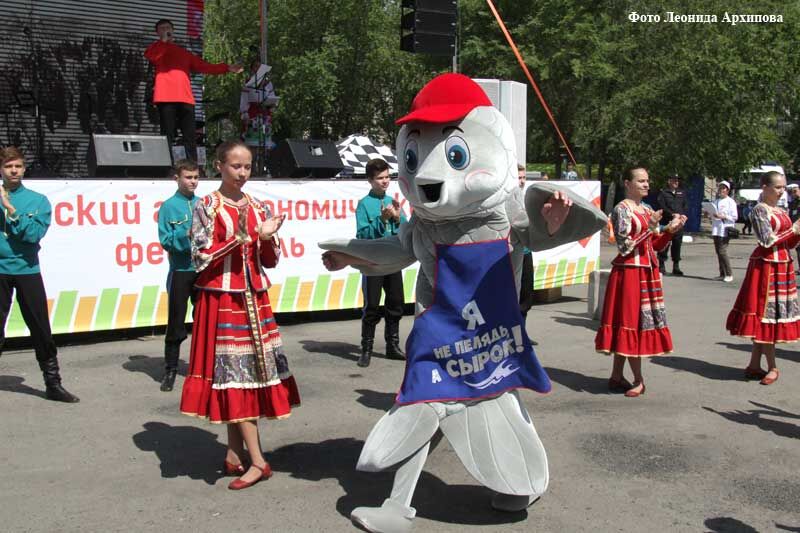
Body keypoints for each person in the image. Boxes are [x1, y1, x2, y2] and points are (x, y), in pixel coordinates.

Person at [180, 140, 300, 490]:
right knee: (233, 374)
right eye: (236, 166)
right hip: (222, 297)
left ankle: (249, 457)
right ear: (219, 166)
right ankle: (244, 456)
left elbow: (271, 260)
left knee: (241, 375)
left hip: (253, 297)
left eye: (247, 166)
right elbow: (200, 255)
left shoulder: (259, 205)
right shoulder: (208, 205)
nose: (243, 173)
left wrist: (266, 238)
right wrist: (246, 237)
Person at [596, 167, 687, 397]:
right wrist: (650, 226)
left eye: (647, 181)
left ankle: (617, 376)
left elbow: (654, 245)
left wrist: (669, 231)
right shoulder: (621, 209)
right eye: (641, 181)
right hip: (629, 273)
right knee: (631, 323)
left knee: (631, 323)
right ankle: (638, 379)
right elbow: (625, 246)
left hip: (646, 271)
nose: (646, 185)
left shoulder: (646, 209)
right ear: (628, 183)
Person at [0, 147, 78, 403]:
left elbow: (32, 235)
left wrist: (10, 210)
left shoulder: (38, 201)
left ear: (24, 169)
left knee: (40, 329)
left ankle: (53, 383)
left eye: (18, 166)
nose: (13, 170)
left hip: (27, 270)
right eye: (9, 166)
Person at [726, 171, 800, 386]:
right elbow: (767, 241)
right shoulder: (759, 210)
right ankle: (772, 366)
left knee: (771, 315)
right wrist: (793, 229)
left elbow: (789, 243)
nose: (781, 191)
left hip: (783, 265)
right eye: (777, 187)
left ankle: (755, 363)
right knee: (765, 314)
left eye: (783, 187)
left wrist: (796, 234)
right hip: (766, 266)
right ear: (765, 187)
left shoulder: (781, 210)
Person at [144, 19, 243, 161]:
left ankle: (192, 166)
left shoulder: (183, 52)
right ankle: (167, 166)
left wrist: (226, 68)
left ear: (173, 30)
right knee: (168, 135)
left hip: (185, 98)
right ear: (158, 32)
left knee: (189, 135)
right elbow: (152, 57)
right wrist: (163, 42)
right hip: (165, 97)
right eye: (162, 28)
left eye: (168, 27)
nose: (166, 29)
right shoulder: (156, 48)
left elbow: (204, 66)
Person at [355, 158, 407, 367]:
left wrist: (396, 218)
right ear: (370, 180)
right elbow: (362, 234)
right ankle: (366, 348)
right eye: (380, 178)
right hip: (373, 263)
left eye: (387, 177)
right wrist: (381, 220)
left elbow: (405, 230)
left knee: (396, 303)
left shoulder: (394, 201)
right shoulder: (364, 204)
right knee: (372, 306)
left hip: (392, 261)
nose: (385, 181)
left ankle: (392, 346)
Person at [157, 159, 200, 392]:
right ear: (177, 178)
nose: (192, 182)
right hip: (181, 270)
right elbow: (165, 240)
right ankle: (170, 369)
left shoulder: (204, 204)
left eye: (195, 177)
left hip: (203, 271)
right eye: (188, 177)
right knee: (175, 321)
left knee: (204, 319)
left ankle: (204, 366)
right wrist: (186, 235)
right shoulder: (168, 206)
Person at [657, 175, 688, 275]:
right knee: (665, 244)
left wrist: (683, 214)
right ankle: (661, 265)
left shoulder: (682, 193)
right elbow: (662, 206)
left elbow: (685, 205)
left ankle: (676, 266)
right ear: (669, 181)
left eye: (677, 181)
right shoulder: (663, 193)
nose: (676, 182)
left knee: (677, 244)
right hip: (667, 222)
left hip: (678, 223)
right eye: (674, 180)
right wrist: (671, 214)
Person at [711, 180, 738, 282]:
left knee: (722, 251)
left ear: (727, 190)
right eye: (720, 188)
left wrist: (723, 216)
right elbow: (713, 213)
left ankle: (729, 273)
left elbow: (735, 217)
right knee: (718, 252)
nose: (721, 190)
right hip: (716, 229)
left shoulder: (731, 202)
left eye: (723, 188)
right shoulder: (716, 201)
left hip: (725, 229)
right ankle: (722, 273)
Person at [517, 164, 535, 319]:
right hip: (511, 254)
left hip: (526, 252)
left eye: (523, 178)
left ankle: (522, 334)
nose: (522, 181)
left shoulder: (526, 198)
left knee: (526, 296)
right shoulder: (506, 200)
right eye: (519, 178)